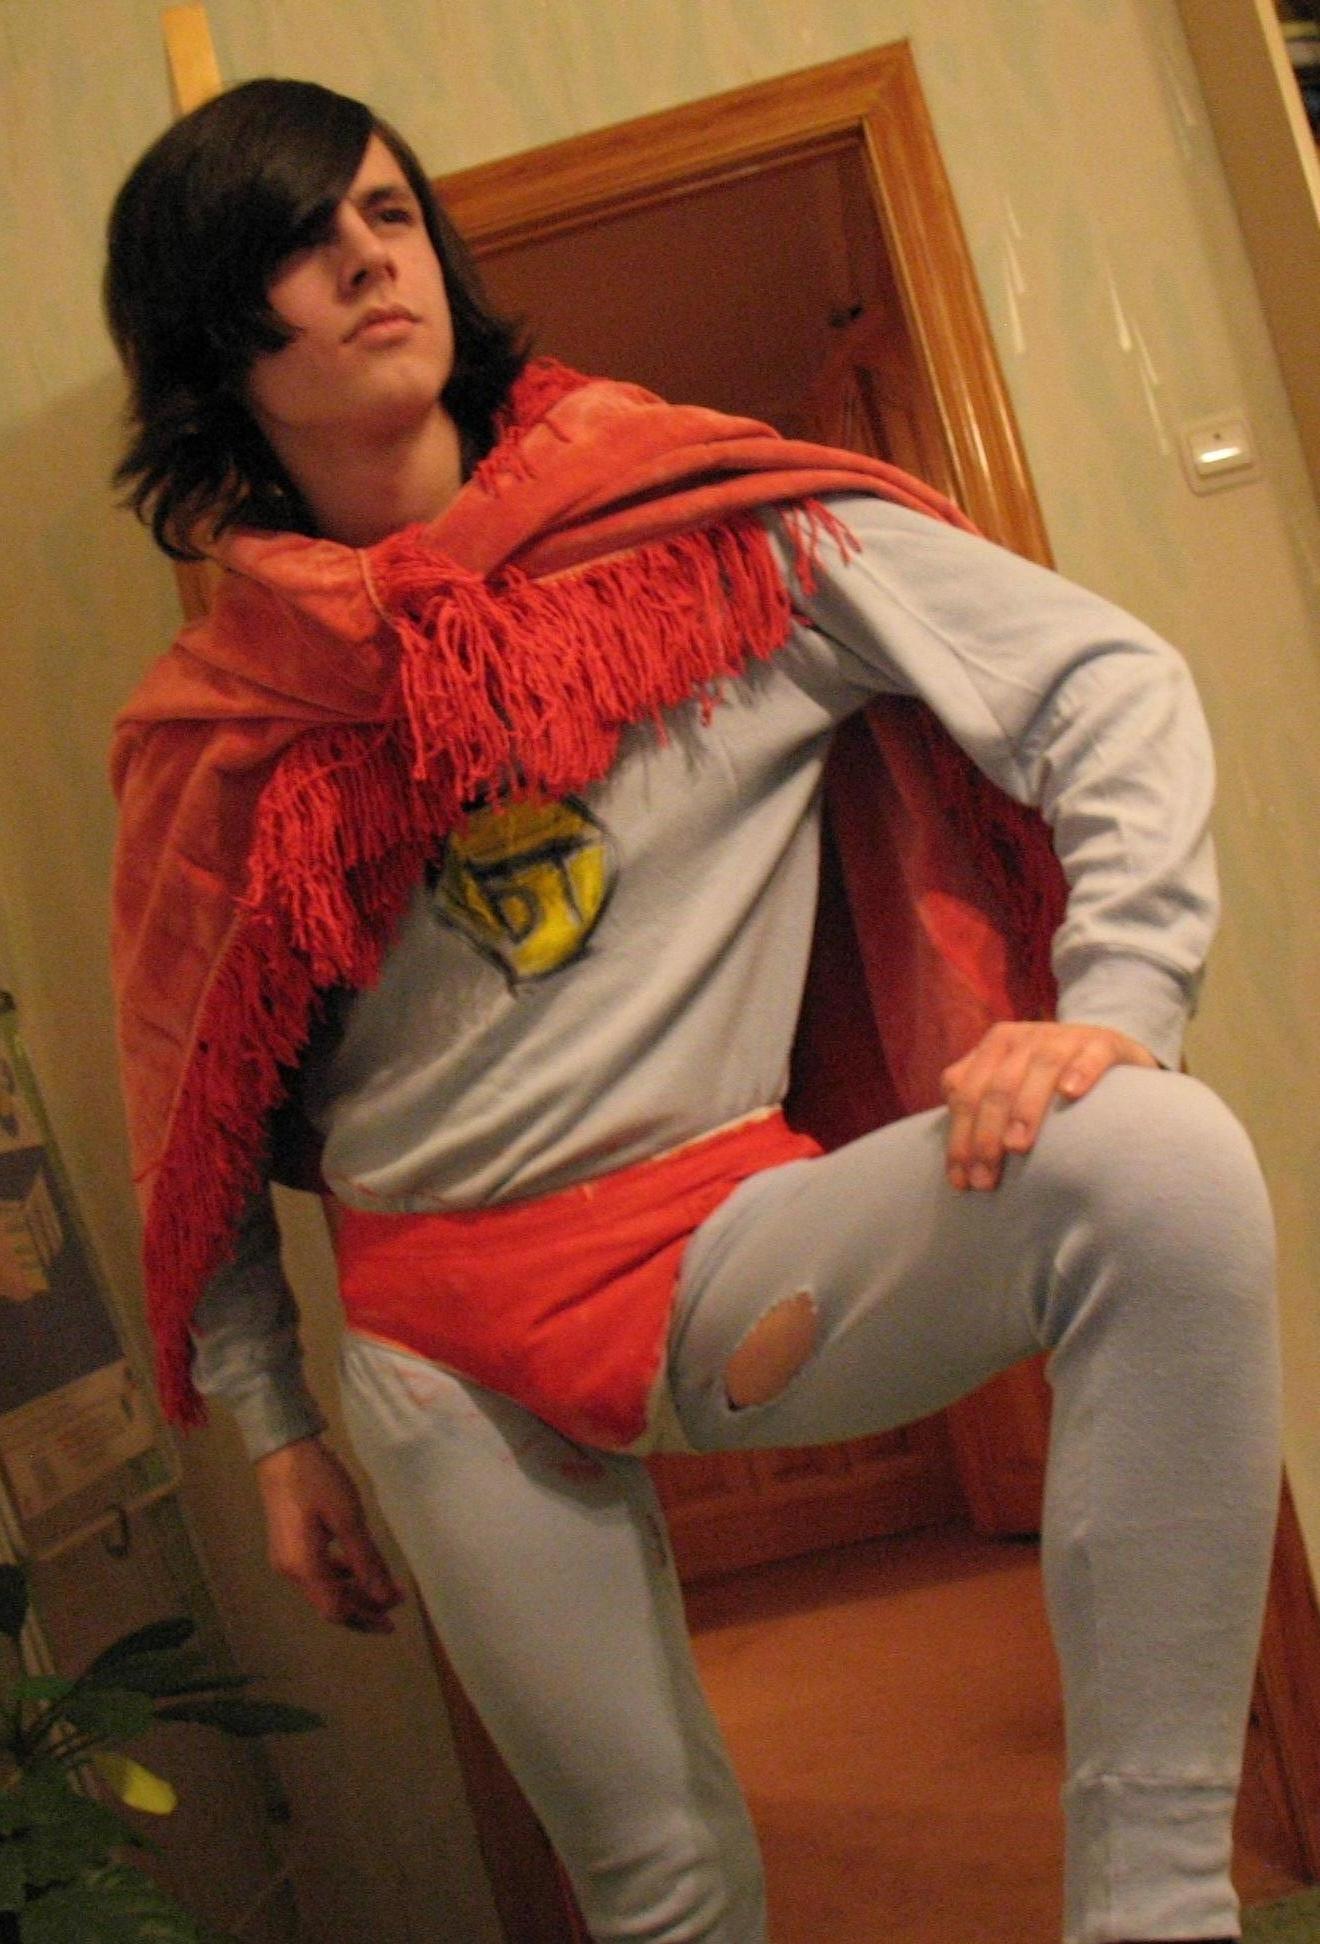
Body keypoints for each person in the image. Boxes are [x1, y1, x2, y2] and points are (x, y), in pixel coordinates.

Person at [104, 76, 1280, 1944]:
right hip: (433, 1340)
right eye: (298, 242)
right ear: (208, 331)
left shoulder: (704, 526)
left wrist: (1119, 992)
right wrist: (274, 1427)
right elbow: (201, 1113)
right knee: (663, 1891)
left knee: (1161, 1161)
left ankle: (1157, 1913)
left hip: (722, 1245)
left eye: (390, 216)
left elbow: (1104, 680)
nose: (367, 260)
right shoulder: (218, 722)